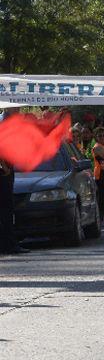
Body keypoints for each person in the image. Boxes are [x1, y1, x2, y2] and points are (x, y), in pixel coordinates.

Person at [0, 108, 29, 255]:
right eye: (16, 106)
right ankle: (8, 244)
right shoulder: (3, 121)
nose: (19, 109)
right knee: (5, 207)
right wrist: (3, 166)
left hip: (7, 167)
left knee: (7, 208)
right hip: (3, 169)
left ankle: (8, 243)